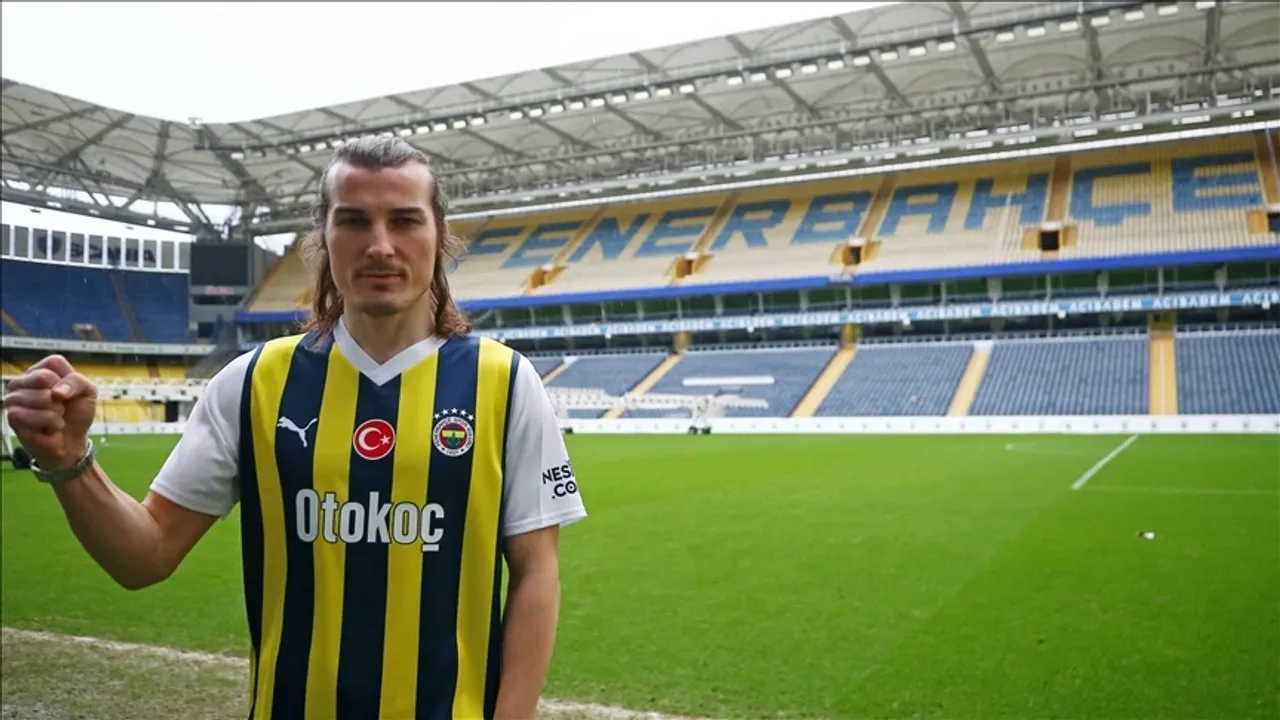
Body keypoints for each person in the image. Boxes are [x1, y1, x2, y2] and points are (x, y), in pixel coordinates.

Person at [3, 135, 587, 720]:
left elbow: (536, 572)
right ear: (323, 238)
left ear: (439, 236)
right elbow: (145, 556)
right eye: (353, 221)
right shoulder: (252, 383)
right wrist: (69, 460)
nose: (380, 246)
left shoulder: (506, 383)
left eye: (404, 220)